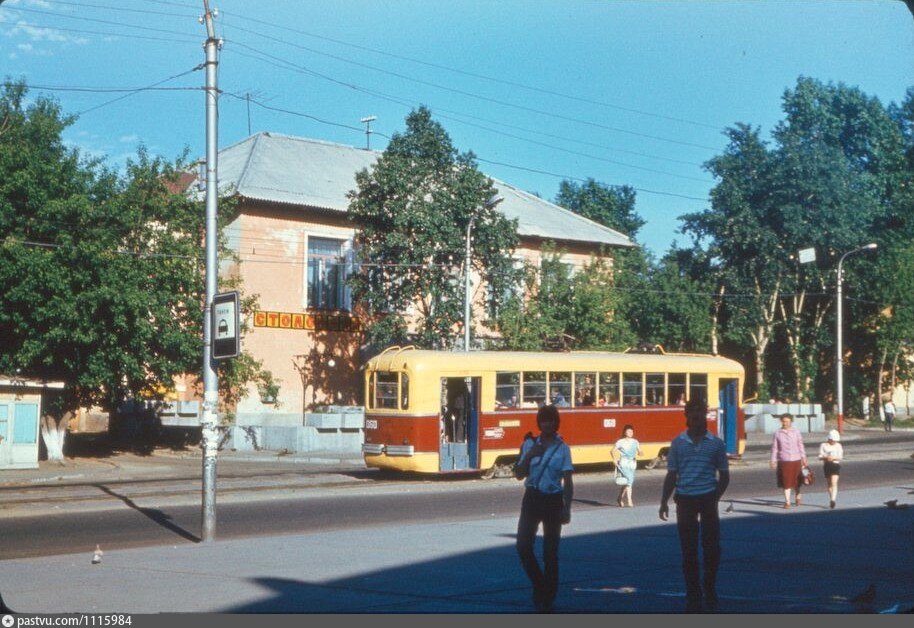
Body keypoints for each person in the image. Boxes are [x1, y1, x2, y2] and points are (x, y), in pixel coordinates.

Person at [659, 398, 729, 613]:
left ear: (706, 415)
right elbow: (672, 474)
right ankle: (693, 592)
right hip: (685, 500)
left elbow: (724, 475)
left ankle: (709, 586)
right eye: (693, 412)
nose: (697, 416)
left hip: (707, 499)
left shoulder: (716, 444)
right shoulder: (678, 443)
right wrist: (664, 501)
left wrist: (714, 497)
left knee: (712, 548)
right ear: (686, 416)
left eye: (701, 411)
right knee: (688, 550)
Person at [514, 404, 574, 613]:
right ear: (539, 423)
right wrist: (531, 455)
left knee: (550, 553)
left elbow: (568, 480)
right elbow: (519, 473)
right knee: (523, 546)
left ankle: (548, 597)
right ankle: (540, 584)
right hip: (532, 498)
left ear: (556, 423)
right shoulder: (529, 444)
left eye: (550, 420)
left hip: (553, 501)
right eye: (543, 420)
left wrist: (567, 508)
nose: (547, 424)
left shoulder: (563, 448)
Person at [770, 413, 807, 509]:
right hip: (784, 460)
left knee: (796, 481)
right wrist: (773, 460)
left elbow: (800, 445)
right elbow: (775, 448)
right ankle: (787, 502)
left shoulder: (796, 432)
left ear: (791, 421)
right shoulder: (777, 433)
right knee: (786, 481)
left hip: (796, 459)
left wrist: (804, 458)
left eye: (787, 421)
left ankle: (798, 494)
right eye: (783, 421)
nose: (785, 423)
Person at [611, 424, 643, 507]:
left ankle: (619, 498)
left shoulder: (635, 442)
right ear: (625, 432)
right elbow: (612, 451)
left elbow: (640, 451)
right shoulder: (620, 442)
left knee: (627, 482)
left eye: (632, 431)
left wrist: (640, 453)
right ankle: (630, 501)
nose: (631, 433)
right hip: (624, 463)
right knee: (630, 480)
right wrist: (614, 459)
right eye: (629, 431)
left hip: (632, 464)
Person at [818, 429, 843, 509]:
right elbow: (819, 456)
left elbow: (840, 457)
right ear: (829, 439)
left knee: (834, 482)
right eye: (832, 440)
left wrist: (833, 458)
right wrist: (825, 457)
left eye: (835, 440)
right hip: (827, 465)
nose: (834, 442)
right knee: (829, 484)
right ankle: (831, 497)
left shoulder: (838, 446)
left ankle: (833, 500)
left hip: (835, 465)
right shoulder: (823, 445)